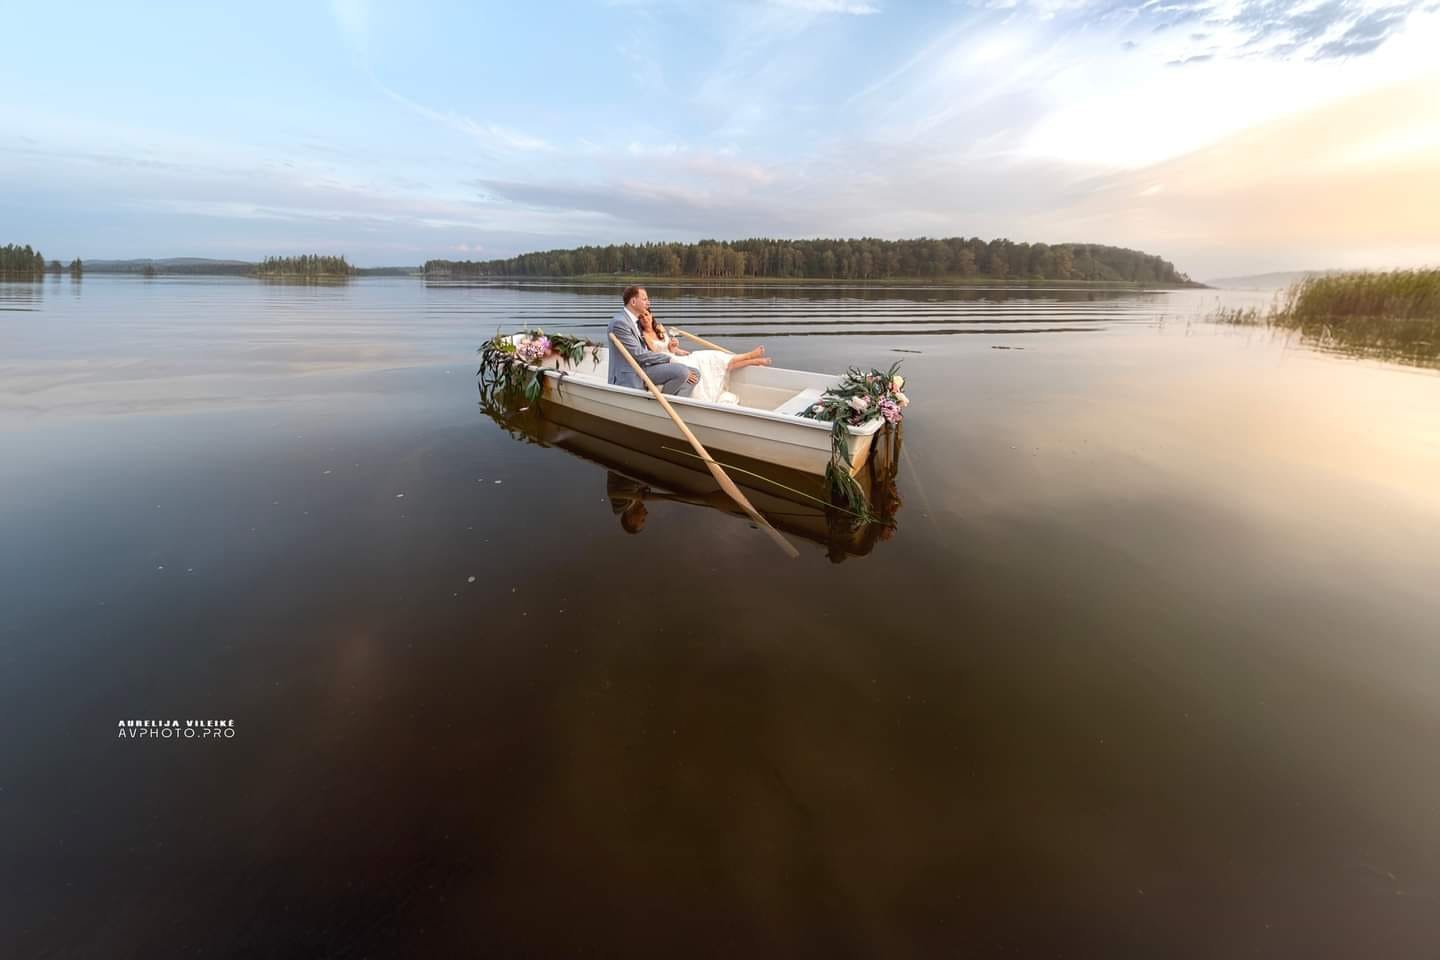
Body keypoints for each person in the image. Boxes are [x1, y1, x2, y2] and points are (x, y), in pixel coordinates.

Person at [637, 306, 771, 406]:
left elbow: (672, 349)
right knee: (706, 359)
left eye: (646, 315)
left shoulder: (660, 328)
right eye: (641, 317)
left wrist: (675, 348)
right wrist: (672, 352)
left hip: (675, 357)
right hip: (666, 363)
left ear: (651, 315)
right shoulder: (645, 336)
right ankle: (749, 357)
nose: (645, 319)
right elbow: (656, 354)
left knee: (713, 359)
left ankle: (750, 359)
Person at [606, 286, 698, 396]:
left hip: (646, 366)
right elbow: (639, 354)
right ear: (633, 301)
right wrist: (669, 359)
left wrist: (672, 349)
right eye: (644, 299)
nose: (648, 303)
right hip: (633, 373)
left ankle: (676, 402)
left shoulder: (636, 322)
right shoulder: (620, 323)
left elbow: (651, 341)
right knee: (682, 371)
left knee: (695, 373)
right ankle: (661, 405)